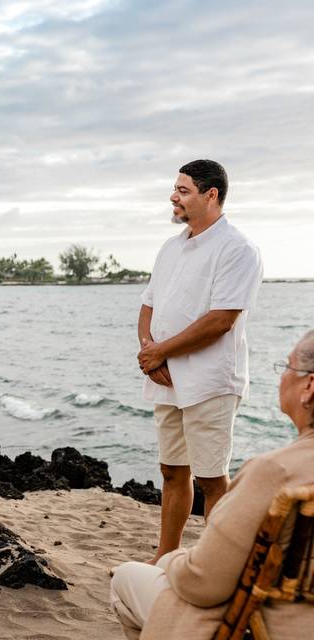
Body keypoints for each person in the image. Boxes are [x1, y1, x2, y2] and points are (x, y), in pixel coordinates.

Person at [111, 330, 314, 639]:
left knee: (127, 578)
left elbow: (203, 583)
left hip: (272, 629)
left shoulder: (276, 472)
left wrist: (170, 559)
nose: (281, 376)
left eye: (286, 367)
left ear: (309, 387)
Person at [136, 159, 263, 562]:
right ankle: (165, 558)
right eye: (174, 189)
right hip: (165, 377)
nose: (174, 197)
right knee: (172, 471)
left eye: (184, 190)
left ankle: (214, 565)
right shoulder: (171, 247)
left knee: (211, 478)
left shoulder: (238, 248)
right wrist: (148, 351)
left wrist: (161, 350)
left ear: (212, 195)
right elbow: (148, 305)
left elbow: (221, 320)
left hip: (210, 381)